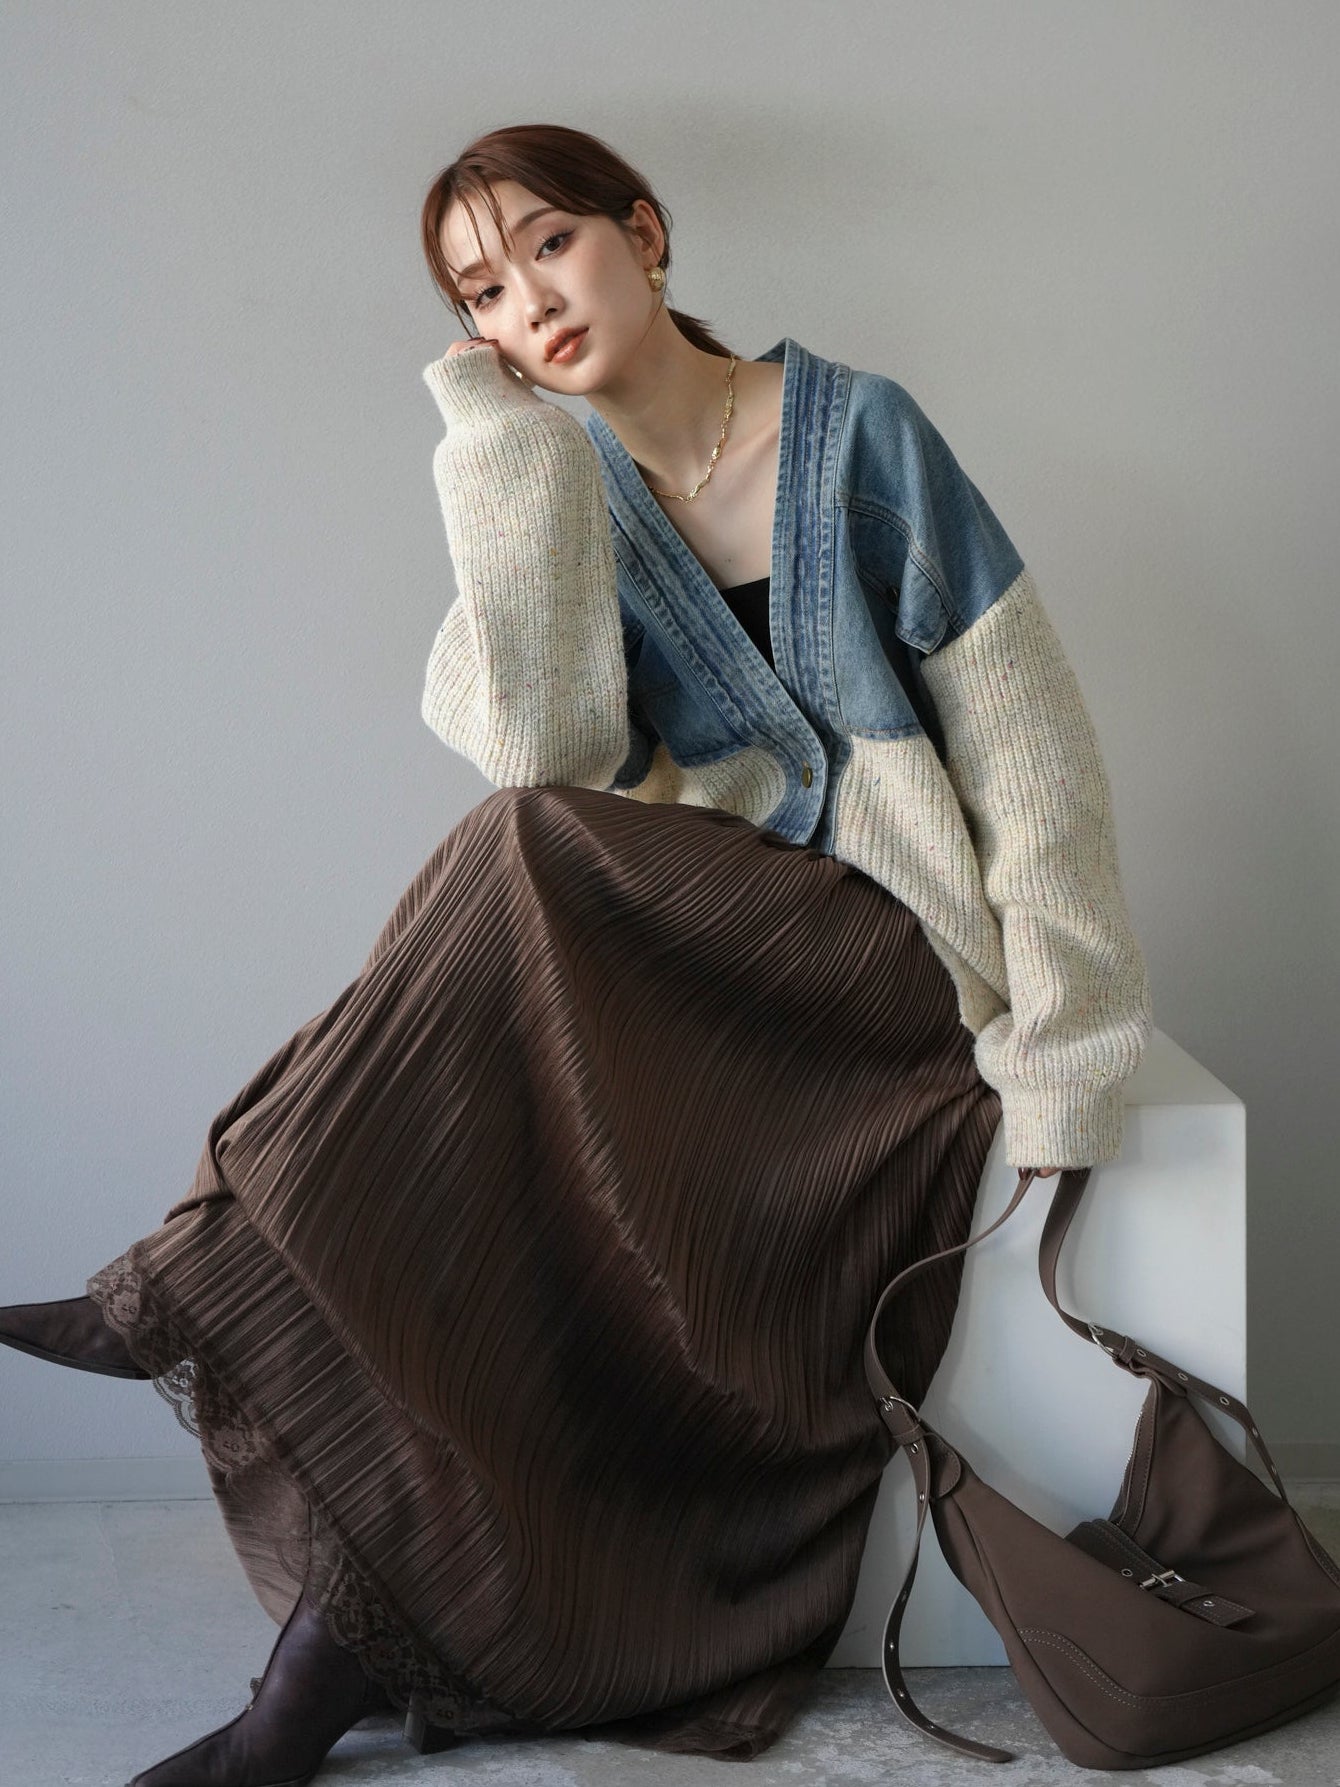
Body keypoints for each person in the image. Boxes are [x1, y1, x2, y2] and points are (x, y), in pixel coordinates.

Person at [1, 123, 1149, 1784]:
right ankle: (307, 1689)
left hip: (880, 976)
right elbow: (541, 741)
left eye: (549, 245)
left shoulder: (857, 435)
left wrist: (1069, 1052)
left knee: (520, 854)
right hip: (687, 974)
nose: (527, 302)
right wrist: (503, 444)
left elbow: (1035, 759)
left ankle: (188, 1272)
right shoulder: (562, 486)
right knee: (498, 1208)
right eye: (480, 292)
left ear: (645, 232)